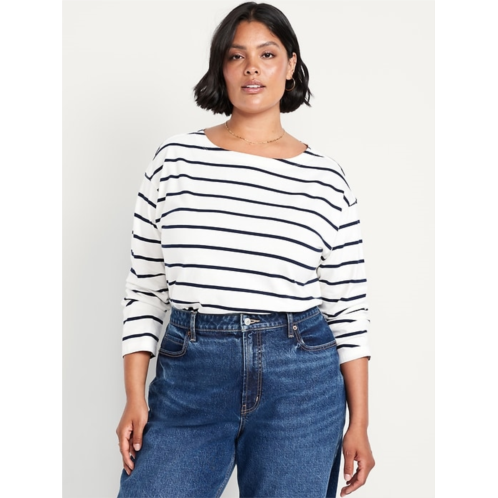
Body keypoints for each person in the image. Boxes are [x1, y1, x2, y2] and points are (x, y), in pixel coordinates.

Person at [116, 2, 375, 497]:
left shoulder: (327, 178)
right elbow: (146, 290)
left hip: (300, 381)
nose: (252, 68)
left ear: (290, 65)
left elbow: (348, 309)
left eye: (267, 54)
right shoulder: (175, 161)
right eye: (237, 56)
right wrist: (134, 395)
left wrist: (359, 423)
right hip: (192, 373)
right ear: (222, 68)